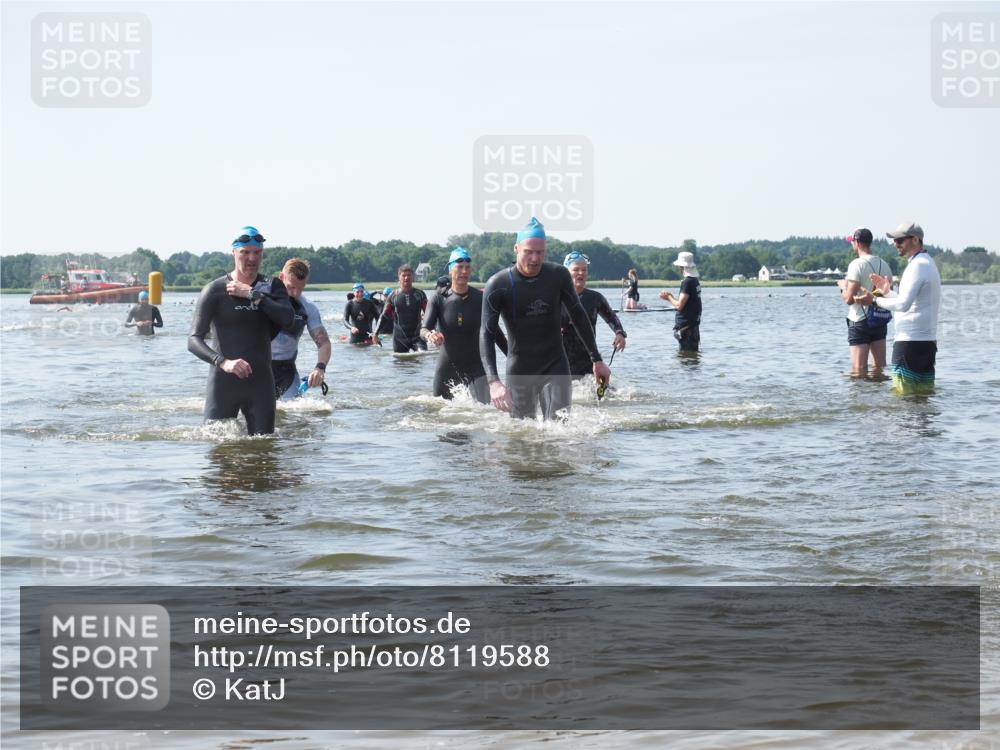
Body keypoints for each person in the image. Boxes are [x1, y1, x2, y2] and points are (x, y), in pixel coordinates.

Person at [480, 217, 611, 420]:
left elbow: (578, 315)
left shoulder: (558, 276)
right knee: (522, 435)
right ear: (516, 248)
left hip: (555, 364)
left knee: (560, 429)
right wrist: (494, 382)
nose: (534, 258)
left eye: (540, 252)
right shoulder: (498, 284)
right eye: (528, 252)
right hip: (520, 369)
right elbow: (487, 333)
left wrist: (597, 360)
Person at [188, 226, 295, 435]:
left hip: (261, 384)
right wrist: (223, 362)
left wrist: (253, 295)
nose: (251, 258)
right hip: (223, 383)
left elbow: (288, 320)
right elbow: (193, 340)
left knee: (264, 452)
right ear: (234, 253)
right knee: (218, 452)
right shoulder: (214, 290)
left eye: (257, 253)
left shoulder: (272, 287)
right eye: (245, 252)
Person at [854, 222, 941, 395]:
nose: (895, 244)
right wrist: (886, 293)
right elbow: (908, 302)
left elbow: (903, 305)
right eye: (894, 240)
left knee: (904, 401)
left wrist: (874, 300)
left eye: (900, 240)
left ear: (915, 240)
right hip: (926, 344)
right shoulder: (927, 263)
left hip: (909, 344)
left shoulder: (917, 266)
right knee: (922, 400)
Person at [421, 248, 507, 403]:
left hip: (476, 368)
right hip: (446, 368)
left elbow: (495, 333)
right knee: (437, 415)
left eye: (467, 267)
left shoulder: (480, 299)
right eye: (459, 267)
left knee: (483, 416)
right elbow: (424, 328)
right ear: (450, 270)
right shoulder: (438, 299)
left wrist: (514, 358)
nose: (464, 271)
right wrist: (430, 335)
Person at [271, 258, 331, 399]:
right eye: (291, 287)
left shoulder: (308, 308)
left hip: (286, 372)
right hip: (257, 368)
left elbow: (324, 343)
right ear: (281, 277)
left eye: (300, 288)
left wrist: (320, 367)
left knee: (294, 416)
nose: (295, 294)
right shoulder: (262, 298)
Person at [561, 251, 626, 377]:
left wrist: (619, 333)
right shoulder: (555, 298)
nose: (581, 273)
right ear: (566, 272)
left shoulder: (595, 298)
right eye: (576, 270)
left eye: (584, 270)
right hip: (561, 361)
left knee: (603, 392)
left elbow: (611, 317)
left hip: (589, 359)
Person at [837, 228, 891, 378]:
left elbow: (848, 299)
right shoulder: (884, 264)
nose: (852, 244)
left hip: (859, 321)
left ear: (858, 243)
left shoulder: (856, 265)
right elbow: (888, 293)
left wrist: (842, 287)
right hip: (879, 319)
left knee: (858, 371)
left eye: (852, 242)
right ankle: (878, 400)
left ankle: (861, 401)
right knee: (879, 369)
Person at [659, 251, 702, 352]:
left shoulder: (687, 282)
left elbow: (679, 305)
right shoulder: (695, 281)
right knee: (692, 357)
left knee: (685, 359)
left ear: (681, 267)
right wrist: (672, 297)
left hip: (687, 328)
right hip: (693, 326)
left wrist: (668, 297)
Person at [380, 264, 428, 352]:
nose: (406, 278)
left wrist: (432, 332)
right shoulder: (393, 296)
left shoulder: (420, 294)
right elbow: (384, 316)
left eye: (409, 275)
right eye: (403, 275)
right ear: (399, 277)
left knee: (422, 356)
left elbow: (429, 314)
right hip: (399, 338)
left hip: (418, 336)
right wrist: (375, 334)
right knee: (400, 364)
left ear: (413, 277)